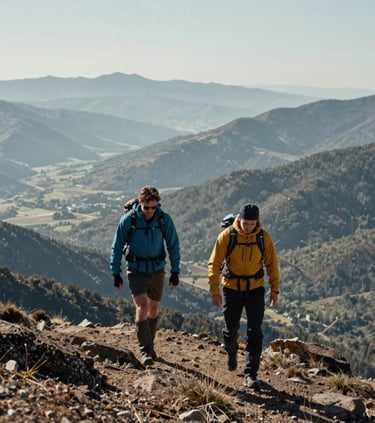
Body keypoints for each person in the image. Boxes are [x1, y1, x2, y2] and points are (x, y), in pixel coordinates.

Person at [208, 203, 279, 388]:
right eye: (245, 223)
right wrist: (214, 291)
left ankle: (250, 374)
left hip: (255, 289)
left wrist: (275, 290)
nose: (248, 227)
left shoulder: (263, 238)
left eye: (252, 224)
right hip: (231, 288)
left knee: (255, 331)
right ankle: (231, 352)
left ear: (257, 222)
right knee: (231, 329)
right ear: (239, 220)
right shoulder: (227, 236)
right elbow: (214, 263)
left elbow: (272, 265)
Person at [110, 185, 180, 365]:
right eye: (146, 207)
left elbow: (173, 245)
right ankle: (145, 351)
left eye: (153, 207)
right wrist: (115, 273)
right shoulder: (129, 220)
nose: (150, 211)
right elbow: (117, 247)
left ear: (158, 205)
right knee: (142, 306)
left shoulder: (164, 220)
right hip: (136, 269)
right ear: (140, 203)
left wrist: (175, 272)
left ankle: (150, 346)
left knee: (154, 308)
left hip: (157, 269)